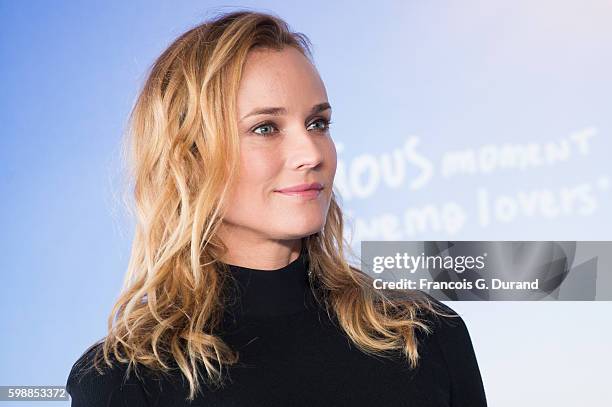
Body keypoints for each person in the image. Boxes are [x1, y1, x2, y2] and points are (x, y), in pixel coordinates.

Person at [66, 9, 487, 406]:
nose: (311, 152)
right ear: (190, 158)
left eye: (318, 124)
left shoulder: (425, 336)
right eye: (265, 128)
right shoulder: (125, 381)